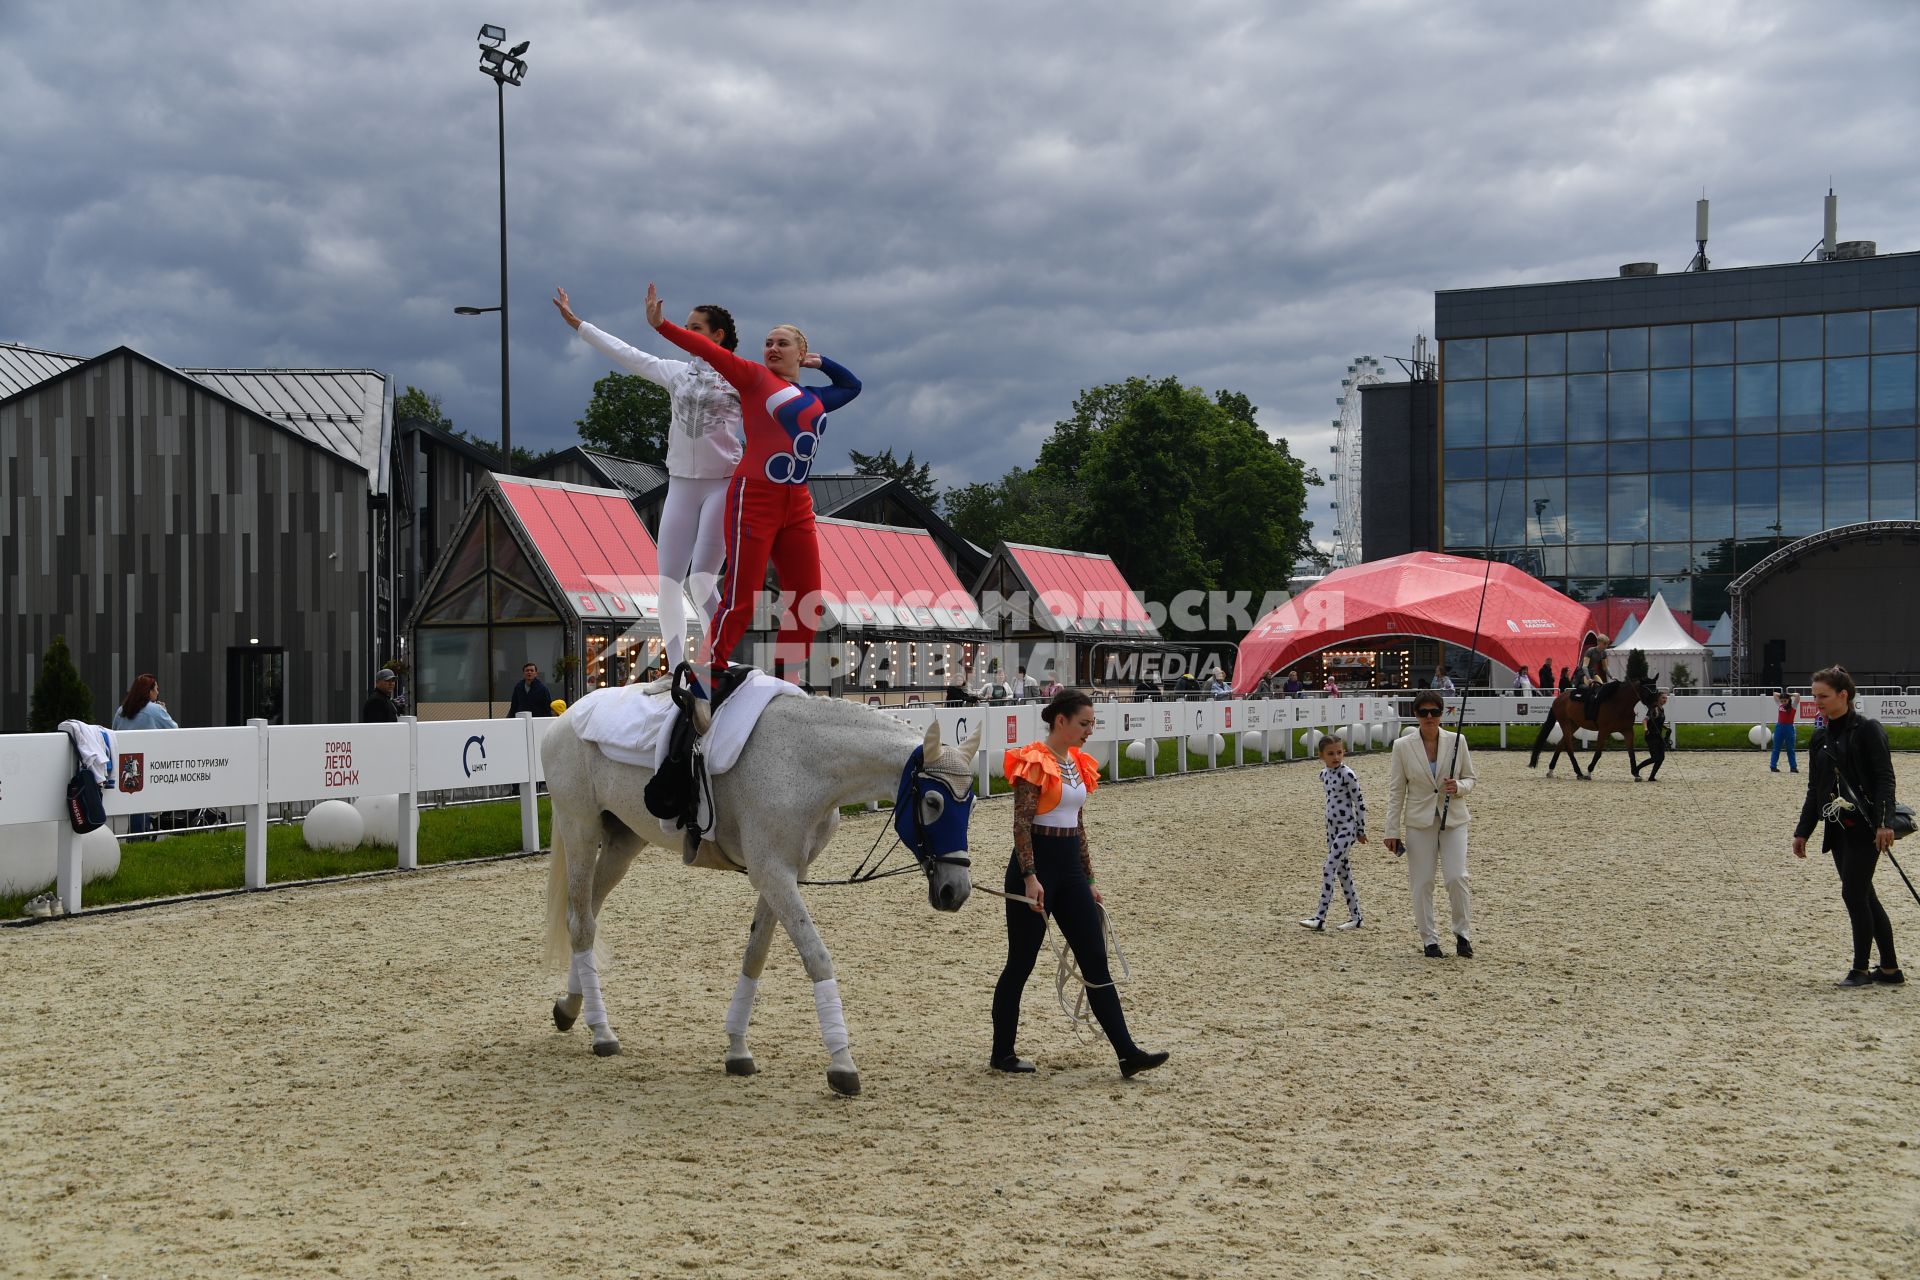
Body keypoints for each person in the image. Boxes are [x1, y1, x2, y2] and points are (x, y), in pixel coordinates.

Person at [644, 282, 860, 687]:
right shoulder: (755, 379)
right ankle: (706, 676)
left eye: (782, 343)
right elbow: (710, 350)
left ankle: (785, 684)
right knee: (741, 601)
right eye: (767, 343)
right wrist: (662, 327)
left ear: (800, 351)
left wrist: (820, 361)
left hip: (797, 503)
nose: (772, 349)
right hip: (754, 496)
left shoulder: (813, 395)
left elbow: (852, 386)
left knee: (808, 601)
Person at [555, 289, 744, 672]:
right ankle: (676, 668)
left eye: (695, 327)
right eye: (685, 326)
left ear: (717, 335)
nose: (686, 332)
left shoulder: (741, 379)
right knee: (669, 584)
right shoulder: (676, 373)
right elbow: (629, 355)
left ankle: (722, 662)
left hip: (722, 484)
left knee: (703, 582)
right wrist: (581, 326)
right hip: (681, 485)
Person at [992, 688, 1168, 1078]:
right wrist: (1029, 876)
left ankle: (1127, 1053)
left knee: (1095, 962)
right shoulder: (1033, 760)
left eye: (1092, 723)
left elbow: (1079, 825)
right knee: (1020, 963)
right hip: (1036, 871)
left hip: (1070, 870)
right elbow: (1021, 825)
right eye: (1084, 723)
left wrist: (1088, 878)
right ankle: (1001, 1052)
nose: (1090, 730)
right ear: (1061, 721)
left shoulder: (1077, 763)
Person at [1792, 666, 1902, 988]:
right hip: (1837, 828)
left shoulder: (1868, 730)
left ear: (1844, 695)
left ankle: (1861, 970)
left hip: (1866, 827)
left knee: (1853, 894)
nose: (1817, 702)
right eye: (1814, 696)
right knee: (1865, 894)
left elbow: (1885, 779)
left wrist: (1884, 823)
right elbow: (1816, 788)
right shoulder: (1820, 736)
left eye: (1823, 696)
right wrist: (1803, 831)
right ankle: (1891, 970)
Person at [1383, 688, 1477, 959]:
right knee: (1422, 882)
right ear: (1415, 715)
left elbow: (1471, 779)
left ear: (1441, 713)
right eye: (1423, 712)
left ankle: (1463, 935)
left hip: (1454, 819)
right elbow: (1396, 790)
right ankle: (1429, 941)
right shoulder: (1402, 746)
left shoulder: (1458, 740)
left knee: (1456, 877)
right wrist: (1392, 830)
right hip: (1419, 821)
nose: (1429, 717)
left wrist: (1457, 786)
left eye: (1434, 712)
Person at [1299, 734, 1367, 932]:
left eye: (1339, 752)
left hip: (1347, 828)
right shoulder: (1324, 775)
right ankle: (1356, 917)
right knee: (1342, 871)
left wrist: (1360, 830)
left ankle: (1320, 918)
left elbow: (1360, 803)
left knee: (1328, 867)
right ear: (1322, 756)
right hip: (1331, 828)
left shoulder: (1348, 774)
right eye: (1331, 753)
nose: (1336, 757)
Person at [112, 673, 178, 837]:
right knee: (144, 801)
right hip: (149, 760)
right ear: (149, 691)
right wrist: (164, 711)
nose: (157, 693)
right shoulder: (155, 710)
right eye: (156, 689)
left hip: (128, 760)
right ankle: (142, 835)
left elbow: (114, 731)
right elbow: (174, 730)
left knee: (135, 800)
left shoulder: (122, 710)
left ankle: (137, 835)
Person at [1633, 692, 1671, 781]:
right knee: (1654, 758)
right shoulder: (1654, 709)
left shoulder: (1662, 709)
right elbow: (1645, 720)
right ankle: (1636, 769)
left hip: (1658, 736)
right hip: (1651, 736)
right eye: (1663, 698)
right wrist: (1646, 729)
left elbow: (1658, 722)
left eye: (1666, 698)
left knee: (1661, 758)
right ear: (1658, 699)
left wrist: (1665, 728)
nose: (1665, 700)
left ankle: (1652, 777)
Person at [1770, 690, 1799, 774]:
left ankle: (1793, 767)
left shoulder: (1793, 706)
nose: (1783, 702)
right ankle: (1773, 766)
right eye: (1782, 701)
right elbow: (1774, 694)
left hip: (1789, 728)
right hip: (1779, 727)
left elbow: (1797, 696)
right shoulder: (1780, 705)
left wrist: (1788, 695)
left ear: (1789, 700)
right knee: (1776, 748)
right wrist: (1783, 695)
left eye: (1785, 700)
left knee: (1790, 749)